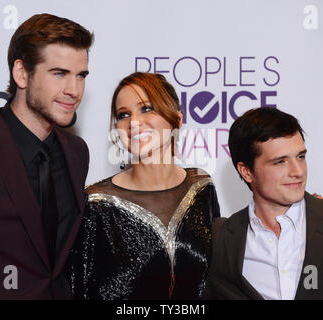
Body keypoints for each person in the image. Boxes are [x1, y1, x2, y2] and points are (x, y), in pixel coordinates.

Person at [0, 13, 94, 299]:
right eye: (59, 73)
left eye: (81, 75)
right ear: (21, 74)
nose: (74, 90)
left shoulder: (76, 152)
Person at [67, 72, 221, 299]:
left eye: (146, 108)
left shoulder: (201, 187)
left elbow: (215, 282)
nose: (134, 123)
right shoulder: (95, 204)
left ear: (176, 120)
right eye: (123, 114)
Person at [205, 107, 323, 300]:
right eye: (280, 162)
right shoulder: (219, 240)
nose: (298, 171)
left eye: (300, 156)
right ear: (246, 172)